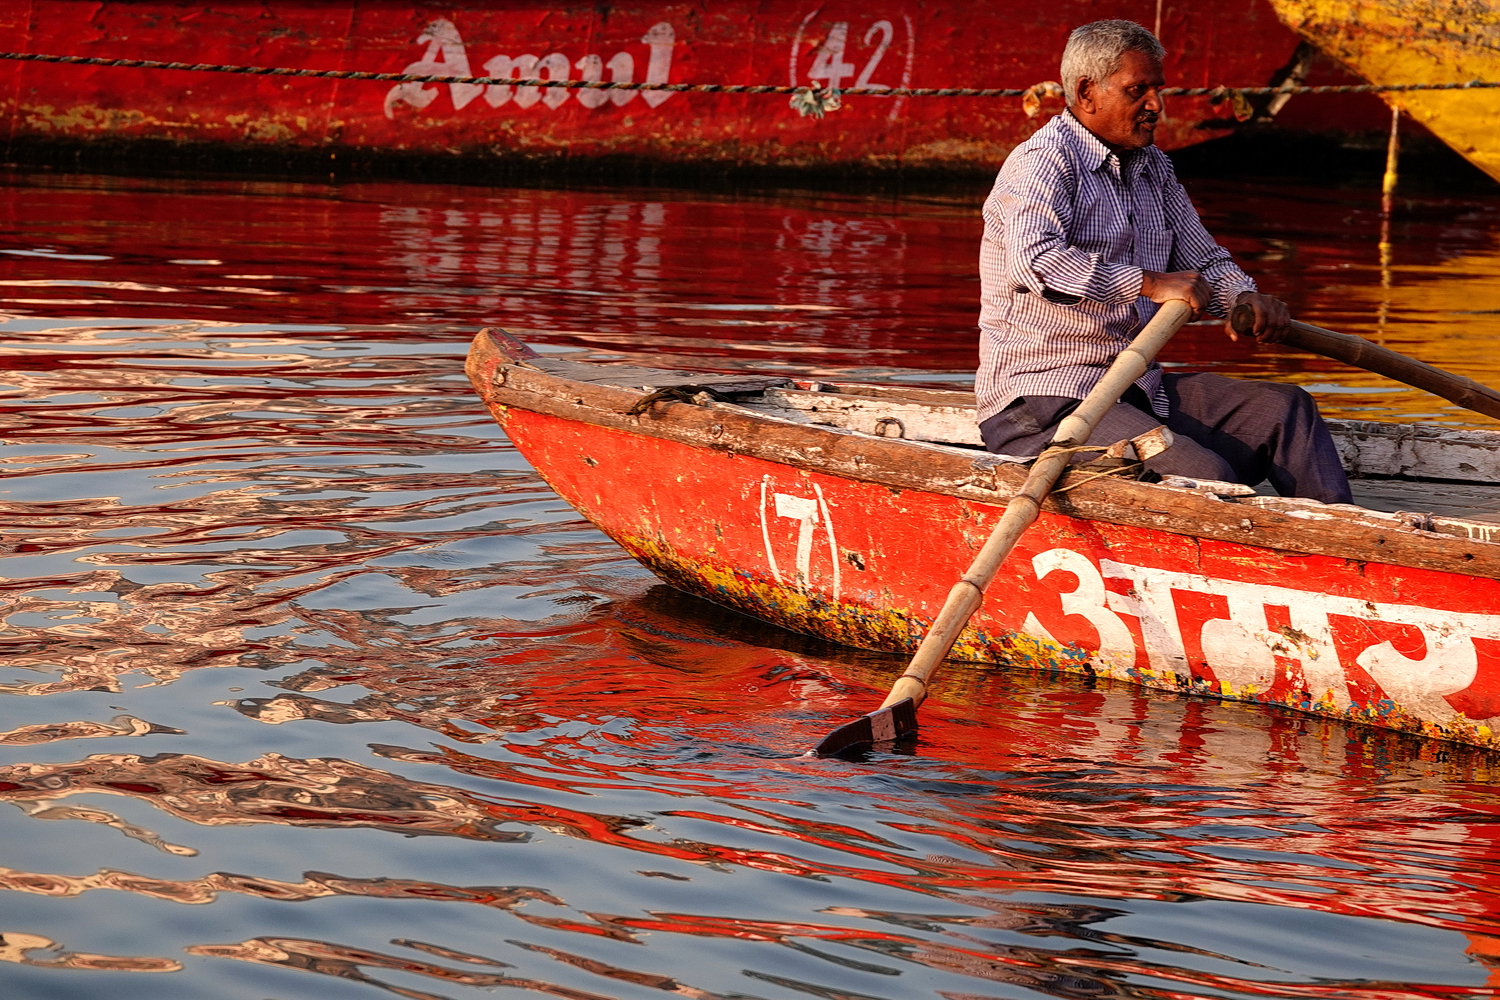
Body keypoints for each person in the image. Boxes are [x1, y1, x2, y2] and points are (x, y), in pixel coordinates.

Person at [976, 19, 1353, 504]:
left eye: (1158, 89)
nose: (1156, 105)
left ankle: (1345, 553)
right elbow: (1037, 262)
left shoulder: (1153, 166)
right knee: (1205, 475)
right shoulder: (1042, 163)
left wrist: (1244, 297)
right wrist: (1149, 283)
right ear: (1087, 92)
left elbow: (1207, 261)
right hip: (1043, 403)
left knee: (1286, 409)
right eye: (1139, 90)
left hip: (1136, 389)